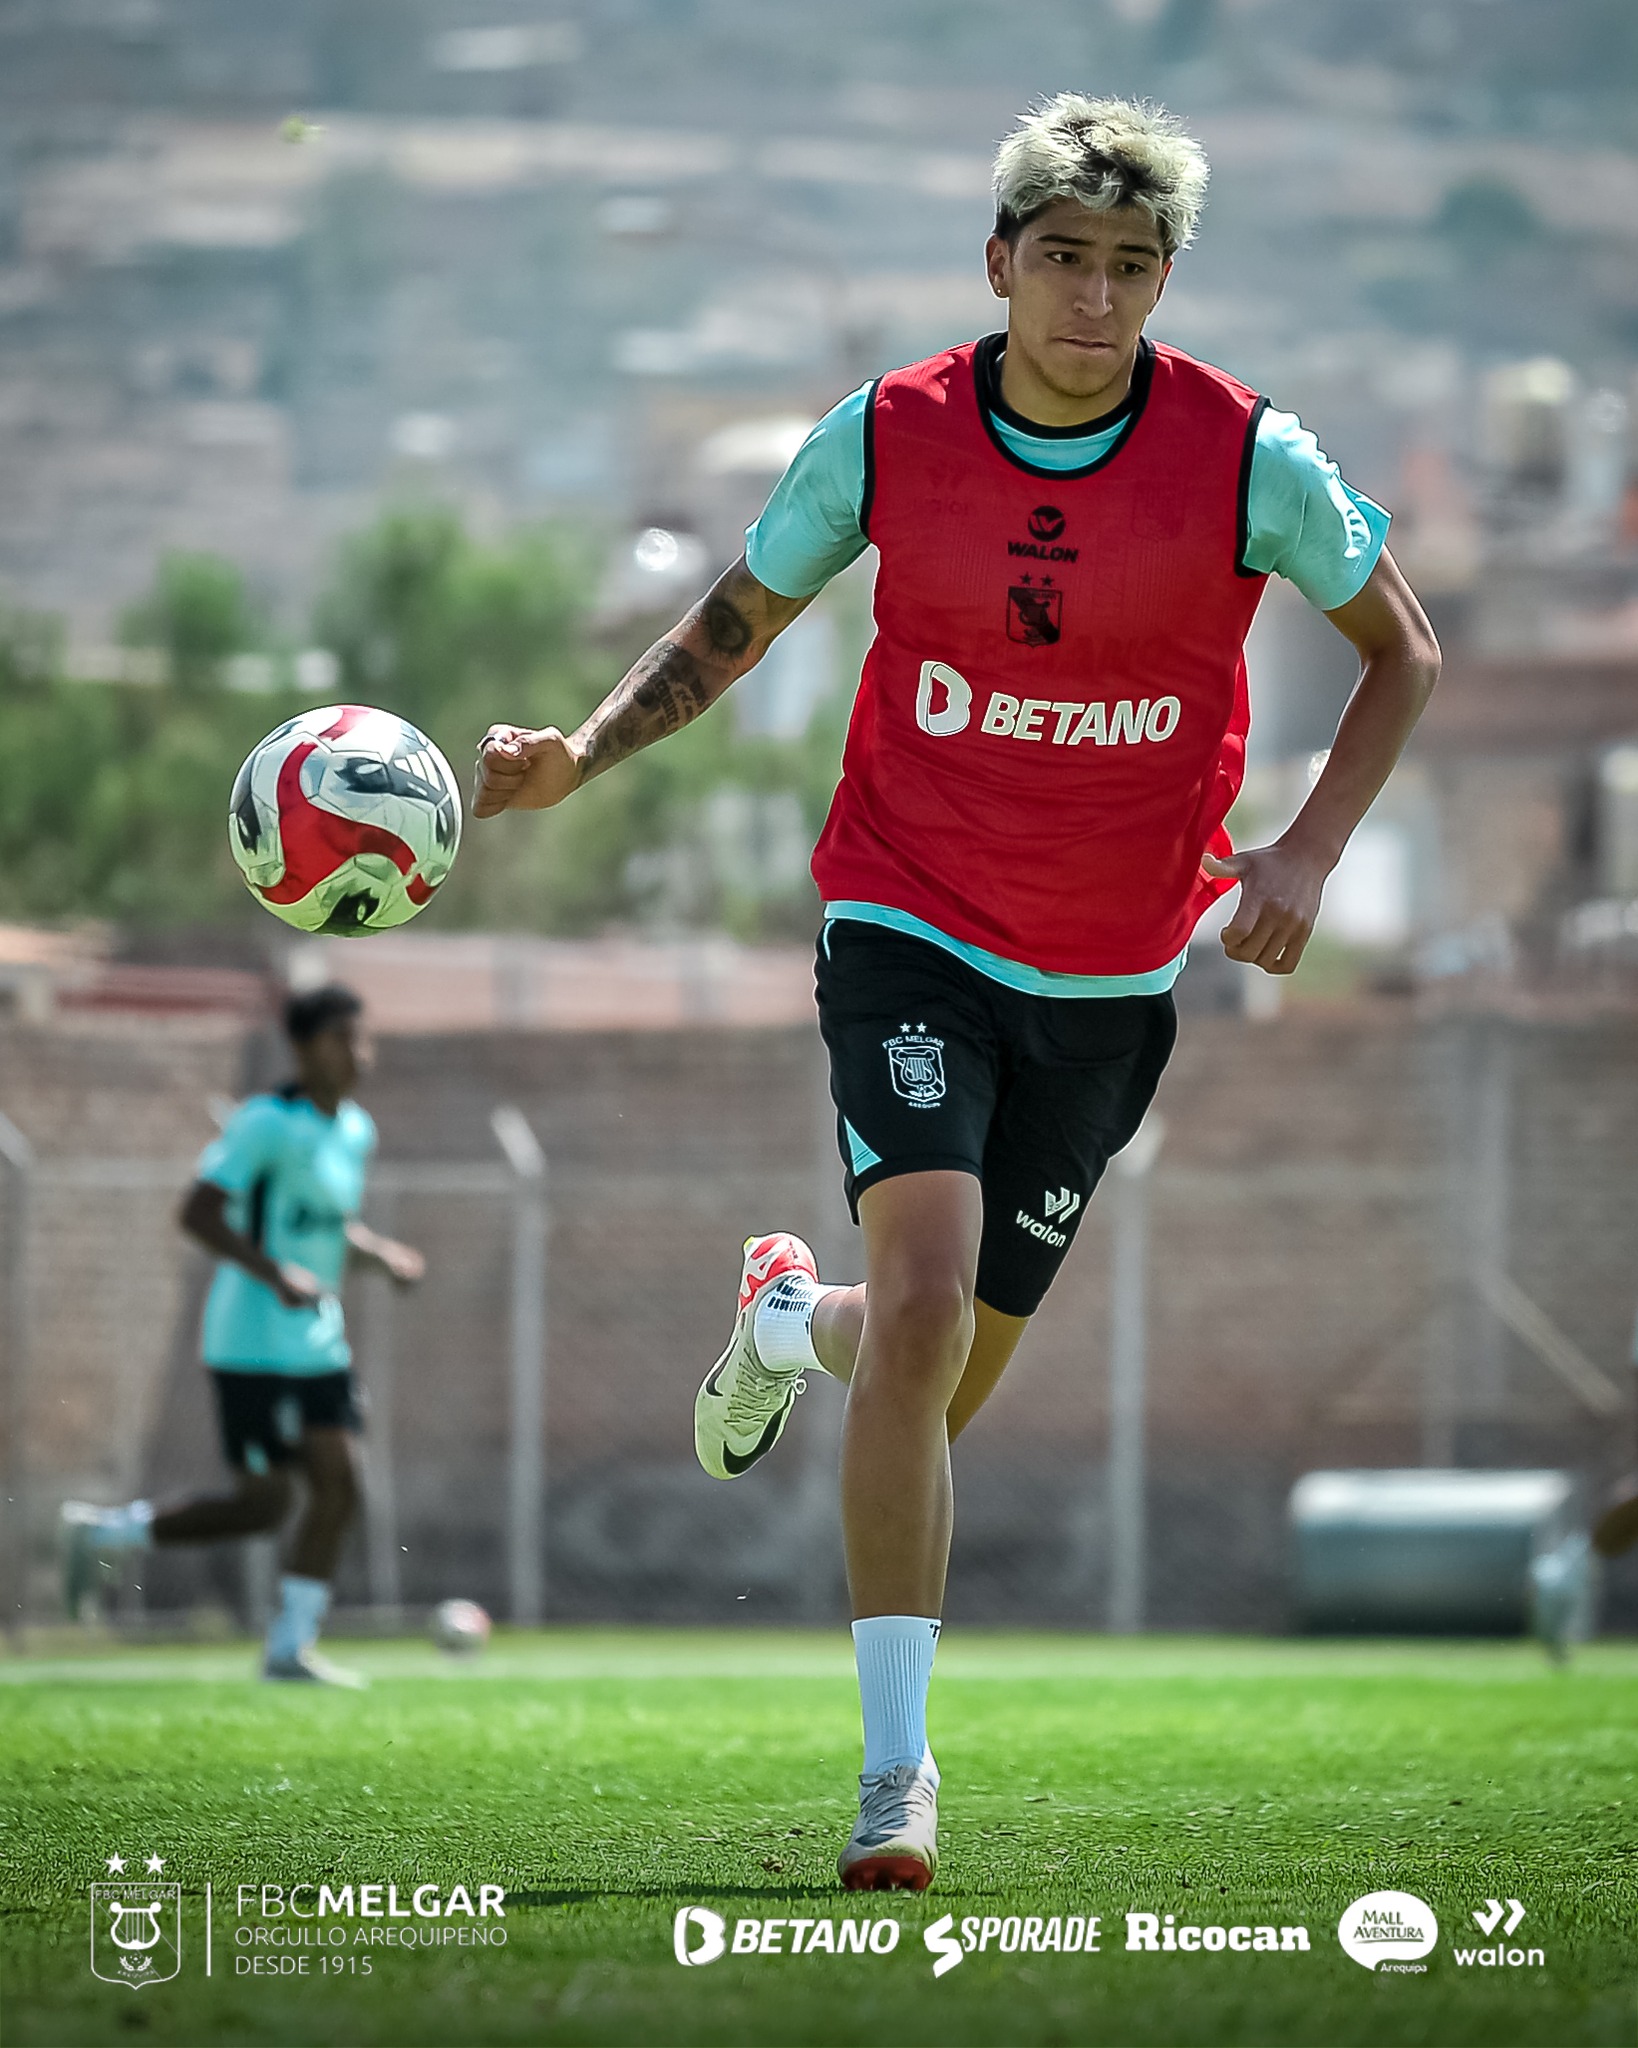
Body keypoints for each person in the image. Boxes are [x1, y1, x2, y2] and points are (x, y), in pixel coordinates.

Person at [474, 93, 1440, 1889]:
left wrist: (1301, 853)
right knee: (921, 1315)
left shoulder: (1246, 459)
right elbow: (726, 628)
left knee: (924, 1366)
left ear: (1164, 283)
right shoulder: (885, 437)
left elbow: (1402, 648)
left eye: (1130, 270)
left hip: (1113, 969)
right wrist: (577, 762)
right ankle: (895, 1779)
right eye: (1061, 261)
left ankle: (786, 1321)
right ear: (996, 263)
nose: (1093, 299)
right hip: (905, 912)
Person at [61, 983, 424, 1685]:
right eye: (340, 1038)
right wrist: (273, 1272)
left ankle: (290, 1647)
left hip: (318, 1340)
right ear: (301, 1046)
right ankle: (110, 1534)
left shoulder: (355, 1130)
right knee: (263, 1507)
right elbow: (197, 1213)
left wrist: (378, 1256)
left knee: (340, 1484)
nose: (358, 1053)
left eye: (363, 1037)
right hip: (252, 1340)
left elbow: (324, 1224)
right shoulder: (266, 1123)